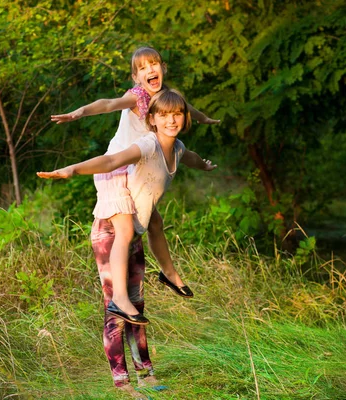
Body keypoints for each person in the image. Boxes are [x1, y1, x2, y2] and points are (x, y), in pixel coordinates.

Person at [38, 89, 217, 397]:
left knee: (137, 307)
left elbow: (190, 158)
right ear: (152, 119)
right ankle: (121, 386)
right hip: (110, 230)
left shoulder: (176, 149)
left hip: (133, 231)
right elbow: (111, 161)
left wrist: (204, 165)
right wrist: (72, 169)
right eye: (163, 115)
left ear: (185, 118)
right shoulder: (146, 145)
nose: (171, 120)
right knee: (117, 311)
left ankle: (145, 375)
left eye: (177, 114)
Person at [50, 46, 220, 320]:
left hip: (135, 167)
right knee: (125, 231)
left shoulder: (166, 100)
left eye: (154, 64)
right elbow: (106, 104)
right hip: (114, 167)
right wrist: (78, 113)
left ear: (163, 68)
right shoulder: (136, 97)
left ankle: (169, 273)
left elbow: (188, 111)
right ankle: (119, 298)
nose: (150, 70)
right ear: (135, 76)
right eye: (142, 68)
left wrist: (204, 119)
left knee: (155, 223)